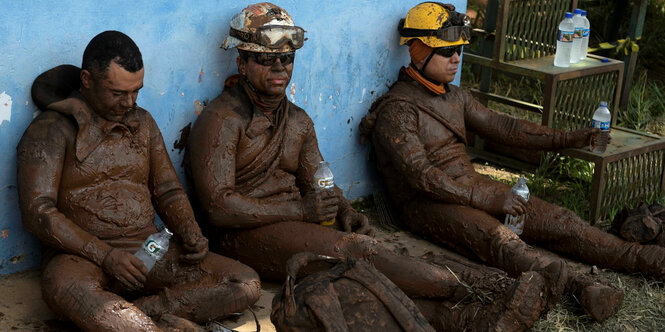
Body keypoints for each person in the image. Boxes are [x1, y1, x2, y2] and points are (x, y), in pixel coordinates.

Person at [187, 3, 553, 331]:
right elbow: (219, 209)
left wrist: (344, 209)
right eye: (266, 59)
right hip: (244, 234)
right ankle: (491, 290)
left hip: (294, 221)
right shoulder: (222, 120)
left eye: (287, 59)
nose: (280, 67)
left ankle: (471, 316)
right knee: (357, 253)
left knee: (363, 268)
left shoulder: (297, 120)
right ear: (242, 62)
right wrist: (300, 209)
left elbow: (321, 182)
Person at [359, 2, 665, 322]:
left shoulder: (454, 97)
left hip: (472, 187)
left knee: (561, 221)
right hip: (427, 204)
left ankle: (645, 258)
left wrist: (565, 139)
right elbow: (422, 176)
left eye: (460, 50)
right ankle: (581, 286)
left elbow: (506, 128)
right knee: (501, 241)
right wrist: (486, 198)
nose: (456, 58)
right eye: (447, 51)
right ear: (419, 52)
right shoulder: (398, 110)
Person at [17, 31, 260, 331]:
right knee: (71, 291)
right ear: (86, 80)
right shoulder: (51, 130)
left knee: (244, 283)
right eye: (118, 93)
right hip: (79, 259)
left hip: (147, 250)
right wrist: (105, 255)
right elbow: (38, 213)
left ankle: (144, 313)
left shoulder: (142, 122)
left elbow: (168, 189)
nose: (129, 102)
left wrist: (190, 231)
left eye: (136, 91)